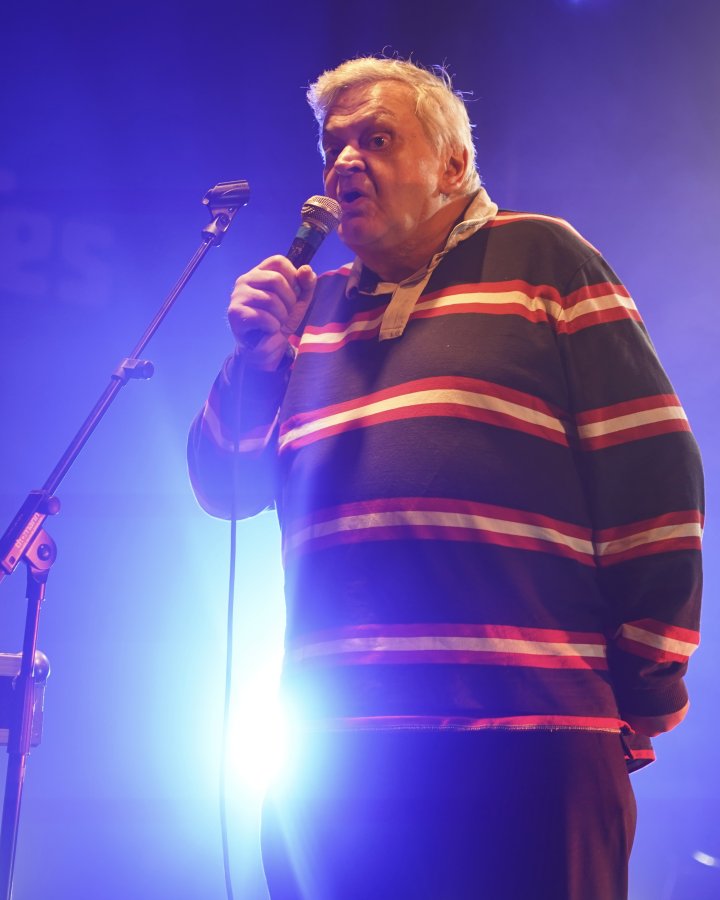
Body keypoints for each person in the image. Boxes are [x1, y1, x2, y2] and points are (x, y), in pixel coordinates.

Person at [188, 57, 704, 899]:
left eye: (376, 139)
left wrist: (639, 693)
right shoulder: (307, 310)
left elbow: (653, 479)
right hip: (336, 752)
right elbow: (226, 491)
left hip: (533, 739)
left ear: (453, 165)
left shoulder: (544, 259)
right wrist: (256, 362)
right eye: (333, 146)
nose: (345, 162)